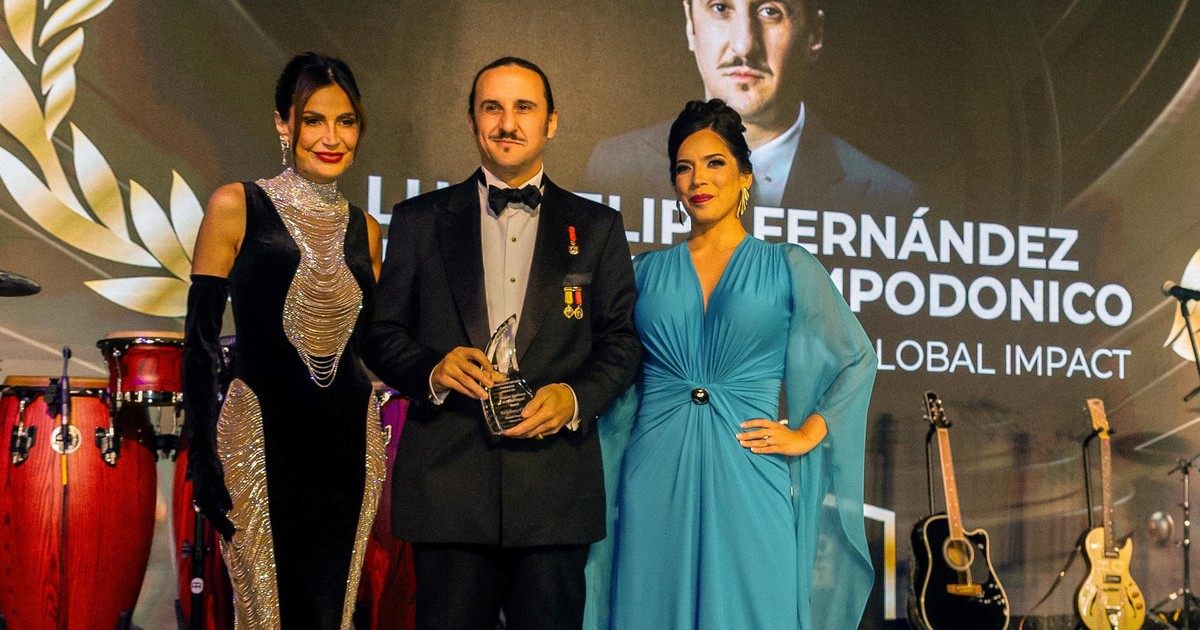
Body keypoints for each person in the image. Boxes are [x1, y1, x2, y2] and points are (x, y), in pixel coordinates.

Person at [363, 57, 641, 630]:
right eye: (492, 108)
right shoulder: (419, 220)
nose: (507, 123)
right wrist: (432, 370)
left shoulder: (597, 227)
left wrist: (573, 397)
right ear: (472, 121)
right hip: (448, 492)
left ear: (551, 122)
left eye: (524, 108)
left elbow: (621, 343)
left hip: (554, 493)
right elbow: (380, 334)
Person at [589, 99, 876, 629]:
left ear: (746, 175)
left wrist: (807, 433)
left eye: (714, 162)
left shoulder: (787, 266)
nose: (698, 178)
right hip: (653, 471)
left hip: (750, 470)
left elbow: (857, 360)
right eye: (684, 167)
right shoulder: (642, 272)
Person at [183, 52, 385, 628]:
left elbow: (371, 346)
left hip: (351, 446)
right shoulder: (235, 205)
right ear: (282, 122)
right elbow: (199, 344)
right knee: (264, 615)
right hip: (258, 438)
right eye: (314, 119)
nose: (331, 138)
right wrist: (202, 458)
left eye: (346, 122)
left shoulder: (367, 229)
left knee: (332, 615)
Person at [585, 0, 913, 216]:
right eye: (720, 8)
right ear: (690, 24)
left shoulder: (890, 197)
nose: (744, 45)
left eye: (770, 11)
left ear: (814, 34)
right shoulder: (616, 168)